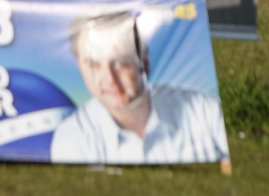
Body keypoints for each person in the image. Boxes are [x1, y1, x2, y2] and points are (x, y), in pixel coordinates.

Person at [50, 10, 229, 164]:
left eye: (120, 61)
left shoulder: (204, 110)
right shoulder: (72, 138)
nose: (109, 79)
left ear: (144, 60)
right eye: (93, 64)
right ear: (79, 67)